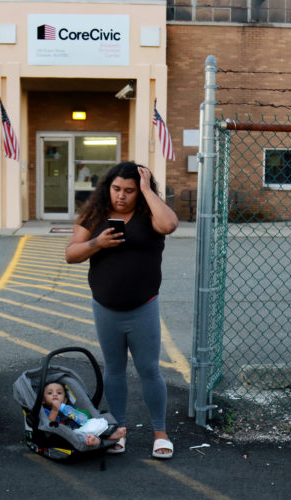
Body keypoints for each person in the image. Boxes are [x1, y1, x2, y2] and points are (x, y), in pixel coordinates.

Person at [65, 161, 179, 459]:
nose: (122, 196)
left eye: (129, 190)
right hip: (106, 308)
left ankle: (160, 432)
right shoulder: (96, 214)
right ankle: (117, 430)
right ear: (108, 188)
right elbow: (71, 254)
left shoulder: (148, 215)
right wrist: (97, 242)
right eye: (117, 189)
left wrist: (146, 189)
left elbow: (169, 225)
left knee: (149, 370)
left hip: (143, 308)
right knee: (113, 370)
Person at [42, 382, 104, 447]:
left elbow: (82, 419)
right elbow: (48, 426)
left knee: (91, 426)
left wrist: (74, 414)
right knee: (78, 436)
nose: (55, 395)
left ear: (65, 400)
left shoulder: (68, 409)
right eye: (50, 393)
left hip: (75, 430)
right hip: (59, 434)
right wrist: (54, 410)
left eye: (59, 393)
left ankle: (95, 439)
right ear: (43, 400)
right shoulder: (45, 411)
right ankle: (92, 440)